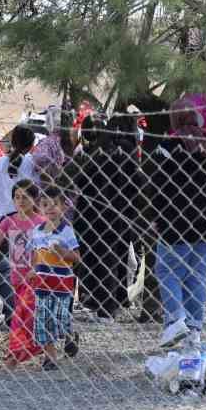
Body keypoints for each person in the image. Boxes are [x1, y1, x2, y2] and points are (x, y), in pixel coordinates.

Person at [144, 99, 206, 348]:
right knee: (197, 277)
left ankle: (175, 320)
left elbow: (154, 186)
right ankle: (194, 330)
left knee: (168, 272)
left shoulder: (167, 147)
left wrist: (153, 217)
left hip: (174, 222)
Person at [71, 113, 139, 321]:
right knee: (112, 257)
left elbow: (79, 180)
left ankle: (104, 304)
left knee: (101, 259)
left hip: (94, 213)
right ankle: (111, 300)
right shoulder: (121, 150)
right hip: (115, 212)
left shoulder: (92, 153)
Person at [0, 179, 45, 366]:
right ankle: (37, 347)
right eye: (17, 197)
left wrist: (36, 268)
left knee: (20, 316)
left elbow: (47, 250)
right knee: (24, 315)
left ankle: (14, 357)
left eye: (25, 197)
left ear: (35, 199)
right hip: (16, 278)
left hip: (35, 278)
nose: (21, 201)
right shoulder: (8, 221)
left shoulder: (41, 223)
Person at [0, 125, 40, 319]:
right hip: (23, 220)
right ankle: (19, 312)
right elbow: (37, 192)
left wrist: (1, 204)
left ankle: (12, 310)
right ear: (32, 144)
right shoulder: (31, 163)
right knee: (22, 268)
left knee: (10, 268)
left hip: (2, 220)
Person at [29, 187, 81, 371]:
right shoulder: (36, 231)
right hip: (42, 284)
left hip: (62, 284)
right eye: (45, 205)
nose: (50, 208)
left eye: (54, 204)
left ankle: (70, 334)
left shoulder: (66, 231)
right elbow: (35, 254)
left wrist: (62, 251)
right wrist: (33, 270)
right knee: (43, 320)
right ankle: (50, 358)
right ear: (40, 208)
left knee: (59, 319)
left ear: (63, 207)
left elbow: (77, 257)